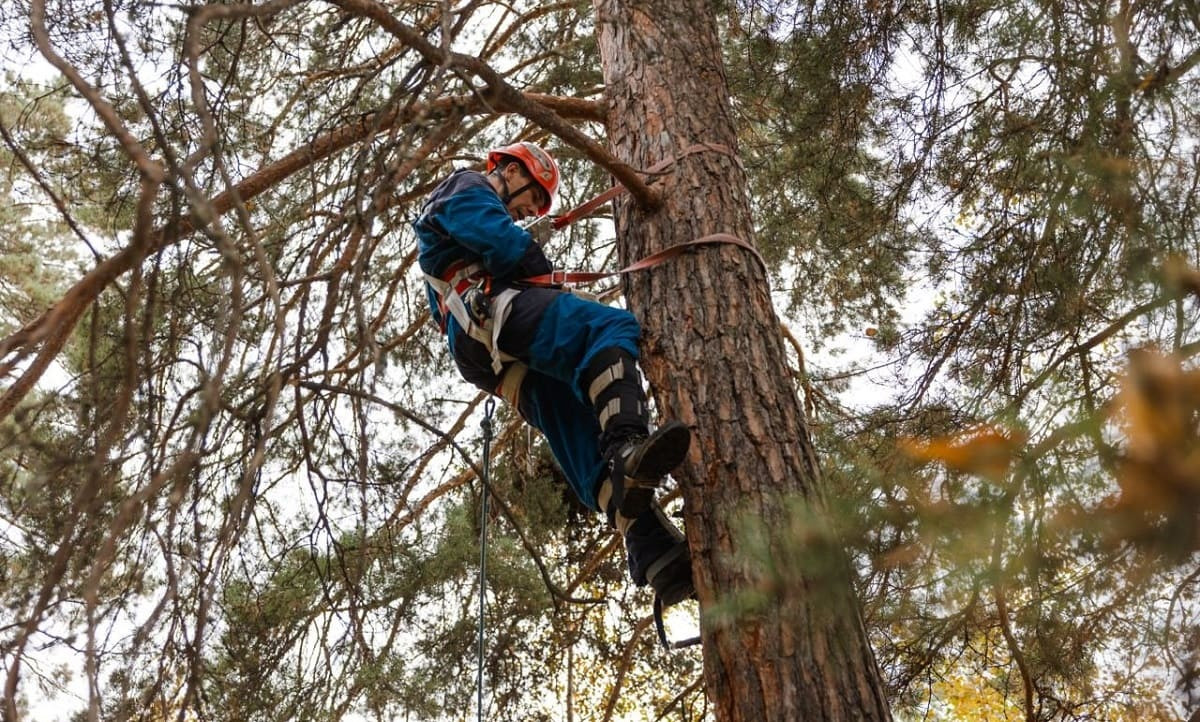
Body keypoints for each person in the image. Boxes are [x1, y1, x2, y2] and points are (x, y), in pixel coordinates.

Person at [414, 140, 694, 606]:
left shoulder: (459, 223)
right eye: (533, 196)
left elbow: (500, 250)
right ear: (510, 170)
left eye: (539, 206)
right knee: (608, 328)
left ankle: (654, 552)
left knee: (573, 426)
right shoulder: (466, 186)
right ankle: (626, 444)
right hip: (492, 318)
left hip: (485, 347)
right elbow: (504, 244)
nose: (530, 210)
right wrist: (532, 260)